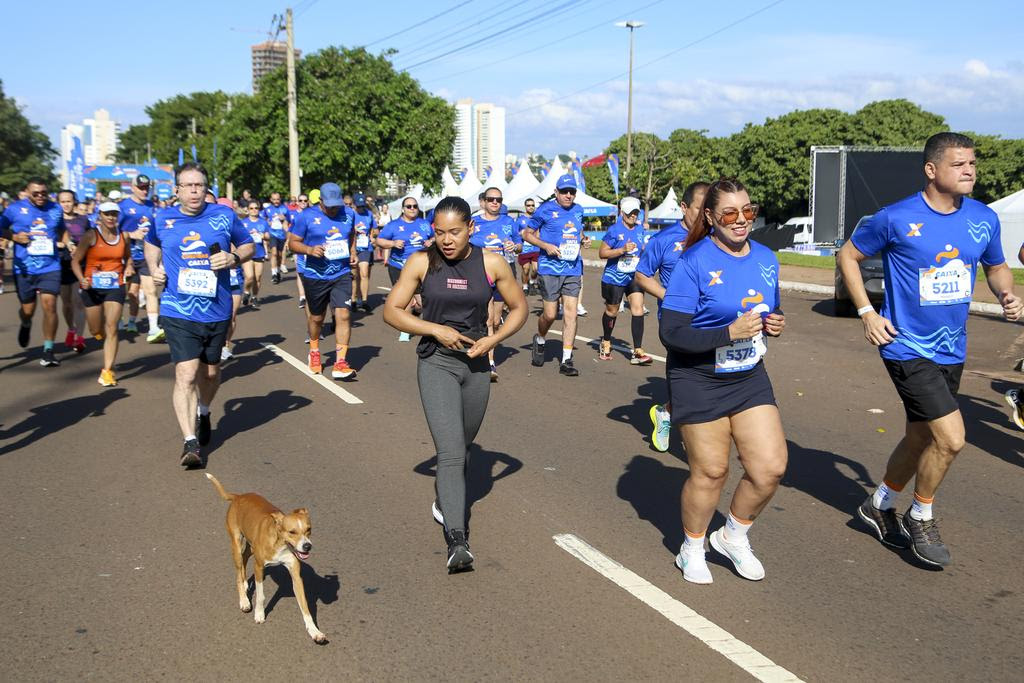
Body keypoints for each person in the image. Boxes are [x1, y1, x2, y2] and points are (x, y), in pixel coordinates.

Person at [837, 132, 1022, 567]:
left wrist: (1005, 294)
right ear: (932, 170)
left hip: (952, 349)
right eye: (959, 164)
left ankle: (877, 505)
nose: (970, 170)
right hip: (906, 346)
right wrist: (867, 311)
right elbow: (848, 256)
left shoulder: (983, 218)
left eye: (973, 163)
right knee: (951, 439)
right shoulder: (896, 217)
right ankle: (921, 514)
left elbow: (996, 266)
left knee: (921, 435)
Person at [383, 196, 527, 571]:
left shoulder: (491, 262)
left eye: (455, 232)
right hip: (437, 362)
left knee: (463, 446)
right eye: (440, 232)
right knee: (449, 453)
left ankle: (444, 495)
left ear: (471, 229)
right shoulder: (420, 262)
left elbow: (520, 308)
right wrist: (435, 329)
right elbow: (391, 311)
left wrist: (494, 341)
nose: (446, 240)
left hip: (476, 365)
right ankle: (457, 540)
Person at [660, 177, 786, 584]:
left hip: (748, 375)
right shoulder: (693, 262)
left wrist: (773, 323)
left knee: (770, 468)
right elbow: (672, 333)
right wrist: (727, 334)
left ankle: (733, 535)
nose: (741, 220)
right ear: (711, 217)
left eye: (747, 211)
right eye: (730, 213)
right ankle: (691, 547)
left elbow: (767, 309)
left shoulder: (767, 258)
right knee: (711, 471)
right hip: (698, 377)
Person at [145, 162, 254, 467]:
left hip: (216, 308)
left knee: (210, 372)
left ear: (206, 188)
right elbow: (150, 243)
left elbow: (248, 244)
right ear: (176, 189)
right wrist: (154, 268)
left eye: (199, 185)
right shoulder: (163, 218)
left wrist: (233, 257)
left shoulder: (223, 215)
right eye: (187, 185)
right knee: (186, 373)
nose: (194, 191)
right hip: (177, 308)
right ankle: (190, 442)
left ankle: (204, 410)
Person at [636, 181, 709, 451]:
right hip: (677, 322)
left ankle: (666, 411)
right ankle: (693, 437)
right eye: (699, 210)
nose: (704, 216)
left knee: (708, 376)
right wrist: (670, 297)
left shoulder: (714, 238)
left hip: (711, 320)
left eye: (708, 210)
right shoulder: (663, 240)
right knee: (691, 379)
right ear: (683, 207)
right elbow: (642, 275)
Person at [289, 182, 358, 379]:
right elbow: (292, 242)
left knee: (343, 315)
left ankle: (340, 362)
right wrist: (309, 250)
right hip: (315, 274)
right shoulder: (305, 216)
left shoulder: (348, 214)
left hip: (341, 272)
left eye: (337, 205)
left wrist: (352, 251)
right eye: (329, 205)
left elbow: (351, 233)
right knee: (317, 318)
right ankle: (314, 351)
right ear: (320, 201)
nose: (334, 209)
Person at [0, 177, 69, 366]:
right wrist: (14, 236)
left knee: (50, 305)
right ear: (28, 192)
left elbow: (62, 230)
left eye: (43, 193)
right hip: (25, 267)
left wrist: (67, 242)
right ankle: (26, 322)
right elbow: (1, 228)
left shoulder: (55, 209)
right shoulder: (14, 209)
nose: (40, 196)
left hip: (51, 265)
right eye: (35, 193)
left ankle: (48, 350)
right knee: (28, 310)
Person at [523, 174, 587, 376]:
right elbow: (527, 234)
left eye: (572, 192)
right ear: (556, 192)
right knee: (550, 314)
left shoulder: (579, 211)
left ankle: (566, 360)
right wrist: (545, 246)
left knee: (571, 312)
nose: (569, 195)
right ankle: (540, 338)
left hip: (573, 268)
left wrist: (583, 240)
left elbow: (577, 232)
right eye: (565, 191)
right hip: (550, 268)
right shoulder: (545, 210)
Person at [70, 201, 133, 386]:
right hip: (92, 287)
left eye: (114, 214)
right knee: (96, 329)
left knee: (112, 327)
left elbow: (128, 256)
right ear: (100, 216)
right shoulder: (91, 235)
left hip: (115, 285)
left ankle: (107, 371)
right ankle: (103, 339)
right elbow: (75, 261)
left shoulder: (124, 236)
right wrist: (81, 278)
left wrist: (128, 266)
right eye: (107, 214)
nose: (111, 217)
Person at [469, 187, 522, 380]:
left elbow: (519, 246)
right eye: (491, 199)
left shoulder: (509, 222)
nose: (495, 203)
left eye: (498, 200)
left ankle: (488, 348)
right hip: (480, 275)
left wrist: (515, 247)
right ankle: (490, 362)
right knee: (487, 318)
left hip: (503, 275)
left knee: (495, 319)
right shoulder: (475, 223)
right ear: (484, 201)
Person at [598, 196, 652, 365]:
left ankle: (637, 350)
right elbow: (602, 253)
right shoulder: (614, 230)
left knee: (638, 309)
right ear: (622, 213)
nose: (633, 216)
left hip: (633, 276)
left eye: (636, 212)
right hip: (614, 276)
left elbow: (642, 249)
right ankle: (606, 341)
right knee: (612, 311)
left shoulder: (640, 230)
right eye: (630, 213)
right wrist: (621, 250)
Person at [375, 195, 435, 342]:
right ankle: (405, 330)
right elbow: (379, 240)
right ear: (403, 209)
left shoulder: (424, 224)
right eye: (409, 206)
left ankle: (412, 319)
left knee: (421, 303)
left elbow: (435, 237)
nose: (413, 209)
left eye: (415, 206)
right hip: (399, 266)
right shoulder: (394, 225)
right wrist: (393, 243)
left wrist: (430, 241)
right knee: (406, 299)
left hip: (421, 268)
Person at [119, 175, 162, 341]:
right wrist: (131, 234)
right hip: (125, 256)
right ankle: (122, 319)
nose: (144, 191)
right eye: (141, 187)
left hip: (145, 256)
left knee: (150, 290)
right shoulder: (122, 207)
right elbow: (112, 233)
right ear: (132, 187)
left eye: (146, 188)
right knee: (129, 293)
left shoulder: (153, 207)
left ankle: (153, 329)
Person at [57, 189, 89, 352]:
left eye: (69, 201)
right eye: (63, 202)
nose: (66, 204)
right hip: (61, 265)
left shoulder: (83, 220)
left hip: (80, 266)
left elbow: (91, 240)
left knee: (78, 302)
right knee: (67, 303)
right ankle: (71, 328)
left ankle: (80, 338)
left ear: (74, 202)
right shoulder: (55, 221)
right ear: (59, 203)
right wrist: (59, 244)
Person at [350, 192, 378, 313]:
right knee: (354, 275)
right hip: (353, 247)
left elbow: (374, 229)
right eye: (359, 206)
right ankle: (354, 300)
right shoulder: (350, 214)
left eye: (363, 206)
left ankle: (365, 301)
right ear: (354, 204)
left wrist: (373, 236)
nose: (361, 208)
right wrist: (353, 230)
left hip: (366, 247)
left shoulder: (369, 214)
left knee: (364, 273)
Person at [241, 200, 270, 308]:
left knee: (257, 278)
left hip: (259, 252)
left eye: (256, 208)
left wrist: (262, 235)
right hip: (247, 253)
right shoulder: (243, 222)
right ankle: (246, 292)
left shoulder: (263, 222)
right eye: (251, 208)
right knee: (250, 276)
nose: (254, 210)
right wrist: (249, 235)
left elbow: (268, 236)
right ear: (248, 210)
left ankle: (254, 297)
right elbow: (238, 237)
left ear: (259, 210)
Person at [263, 192, 290, 283]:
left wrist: (284, 219)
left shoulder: (284, 209)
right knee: (274, 253)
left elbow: (289, 221)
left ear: (280, 199)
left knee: (279, 255)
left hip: (282, 235)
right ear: (271, 199)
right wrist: (267, 223)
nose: (276, 201)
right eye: (274, 199)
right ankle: (274, 274)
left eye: (277, 199)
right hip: (272, 234)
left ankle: (278, 271)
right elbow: (262, 218)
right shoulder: (267, 209)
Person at [516, 198, 540, 294]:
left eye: (532, 205)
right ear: (525, 207)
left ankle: (532, 282)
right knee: (526, 270)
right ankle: (525, 287)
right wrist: (520, 233)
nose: (531, 207)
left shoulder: (538, 218)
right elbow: (515, 233)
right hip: (525, 249)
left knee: (536, 269)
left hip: (536, 248)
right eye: (528, 205)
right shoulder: (520, 220)